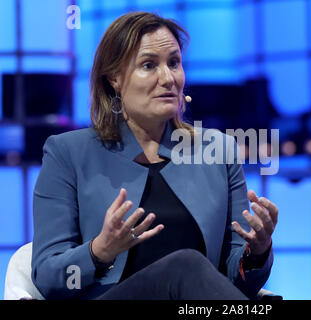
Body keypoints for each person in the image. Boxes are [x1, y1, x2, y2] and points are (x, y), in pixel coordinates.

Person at [31, 11, 278, 300]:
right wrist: (100, 251)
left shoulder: (218, 151)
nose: (168, 78)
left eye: (174, 63)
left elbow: (237, 285)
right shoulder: (67, 153)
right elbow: (48, 278)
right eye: (149, 65)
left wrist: (257, 251)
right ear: (115, 78)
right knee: (185, 266)